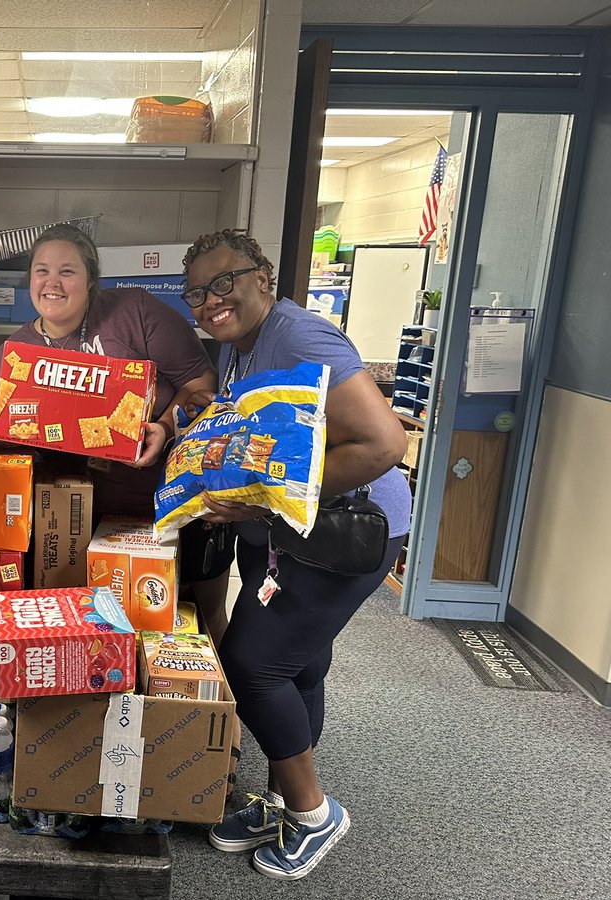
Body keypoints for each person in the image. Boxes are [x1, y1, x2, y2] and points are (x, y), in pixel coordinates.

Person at [182, 230, 410, 881]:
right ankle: (282, 798)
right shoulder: (239, 346)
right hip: (283, 536)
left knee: (254, 666)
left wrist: (261, 503)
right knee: (299, 663)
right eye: (197, 291)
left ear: (263, 277)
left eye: (224, 281)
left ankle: (313, 813)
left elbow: (383, 443)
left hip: (346, 531)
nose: (210, 299)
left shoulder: (299, 337)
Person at [0, 223, 216, 516]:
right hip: (58, 515)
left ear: (91, 280)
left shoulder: (135, 311)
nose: (52, 283)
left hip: (155, 504)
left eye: (67, 272)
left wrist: (167, 428)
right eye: (42, 271)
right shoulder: (13, 354)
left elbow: (200, 380)